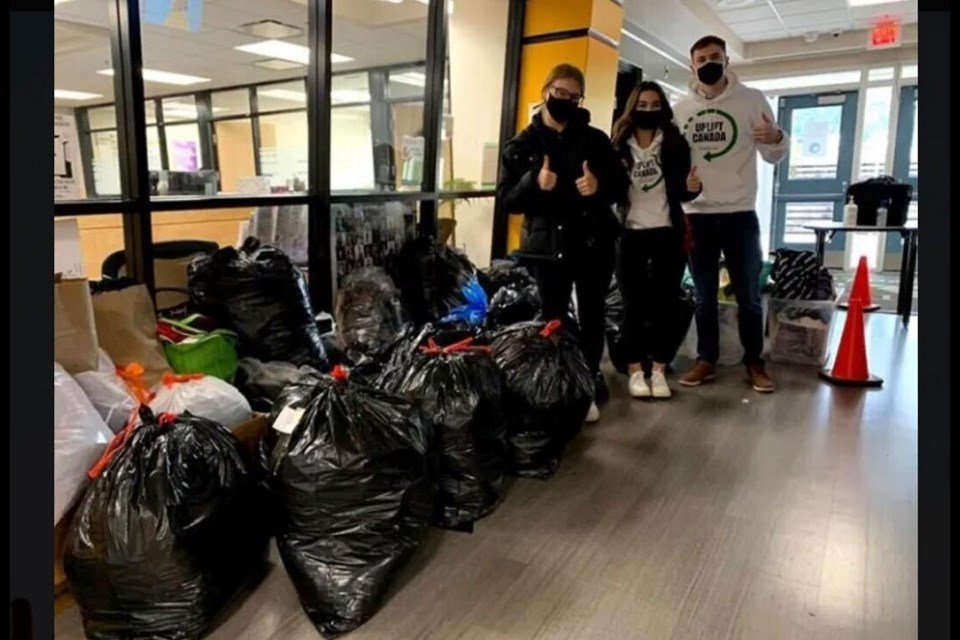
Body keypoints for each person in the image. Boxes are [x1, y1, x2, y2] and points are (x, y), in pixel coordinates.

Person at [497, 64, 627, 423]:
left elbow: (620, 184)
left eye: (573, 96)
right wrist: (533, 182)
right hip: (547, 248)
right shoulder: (521, 144)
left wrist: (599, 187)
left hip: (593, 241)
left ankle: (586, 384)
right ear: (545, 91)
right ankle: (559, 384)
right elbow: (507, 200)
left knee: (592, 317)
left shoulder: (595, 140)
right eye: (560, 93)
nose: (565, 101)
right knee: (553, 320)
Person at [673, 35, 789, 393]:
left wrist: (775, 136)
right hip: (697, 215)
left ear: (726, 61)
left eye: (715, 57)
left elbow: (774, 155)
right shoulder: (680, 110)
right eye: (702, 58)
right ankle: (706, 359)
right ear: (691, 66)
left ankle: (755, 362)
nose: (709, 63)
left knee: (749, 297)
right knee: (704, 297)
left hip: (740, 213)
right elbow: (673, 163)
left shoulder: (751, 100)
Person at [610, 81, 701, 400]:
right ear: (633, 107)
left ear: (663, 108)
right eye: (642, 104)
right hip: (631, 233)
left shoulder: (674, 142)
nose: (648, 110)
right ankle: (635, 370)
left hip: (667, 232)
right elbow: (612, 190)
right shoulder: (620, 143)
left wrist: (693, 187)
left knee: (665, 304)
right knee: (632, 306)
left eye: (654, 104)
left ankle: (660, 369)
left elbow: (684, 190)